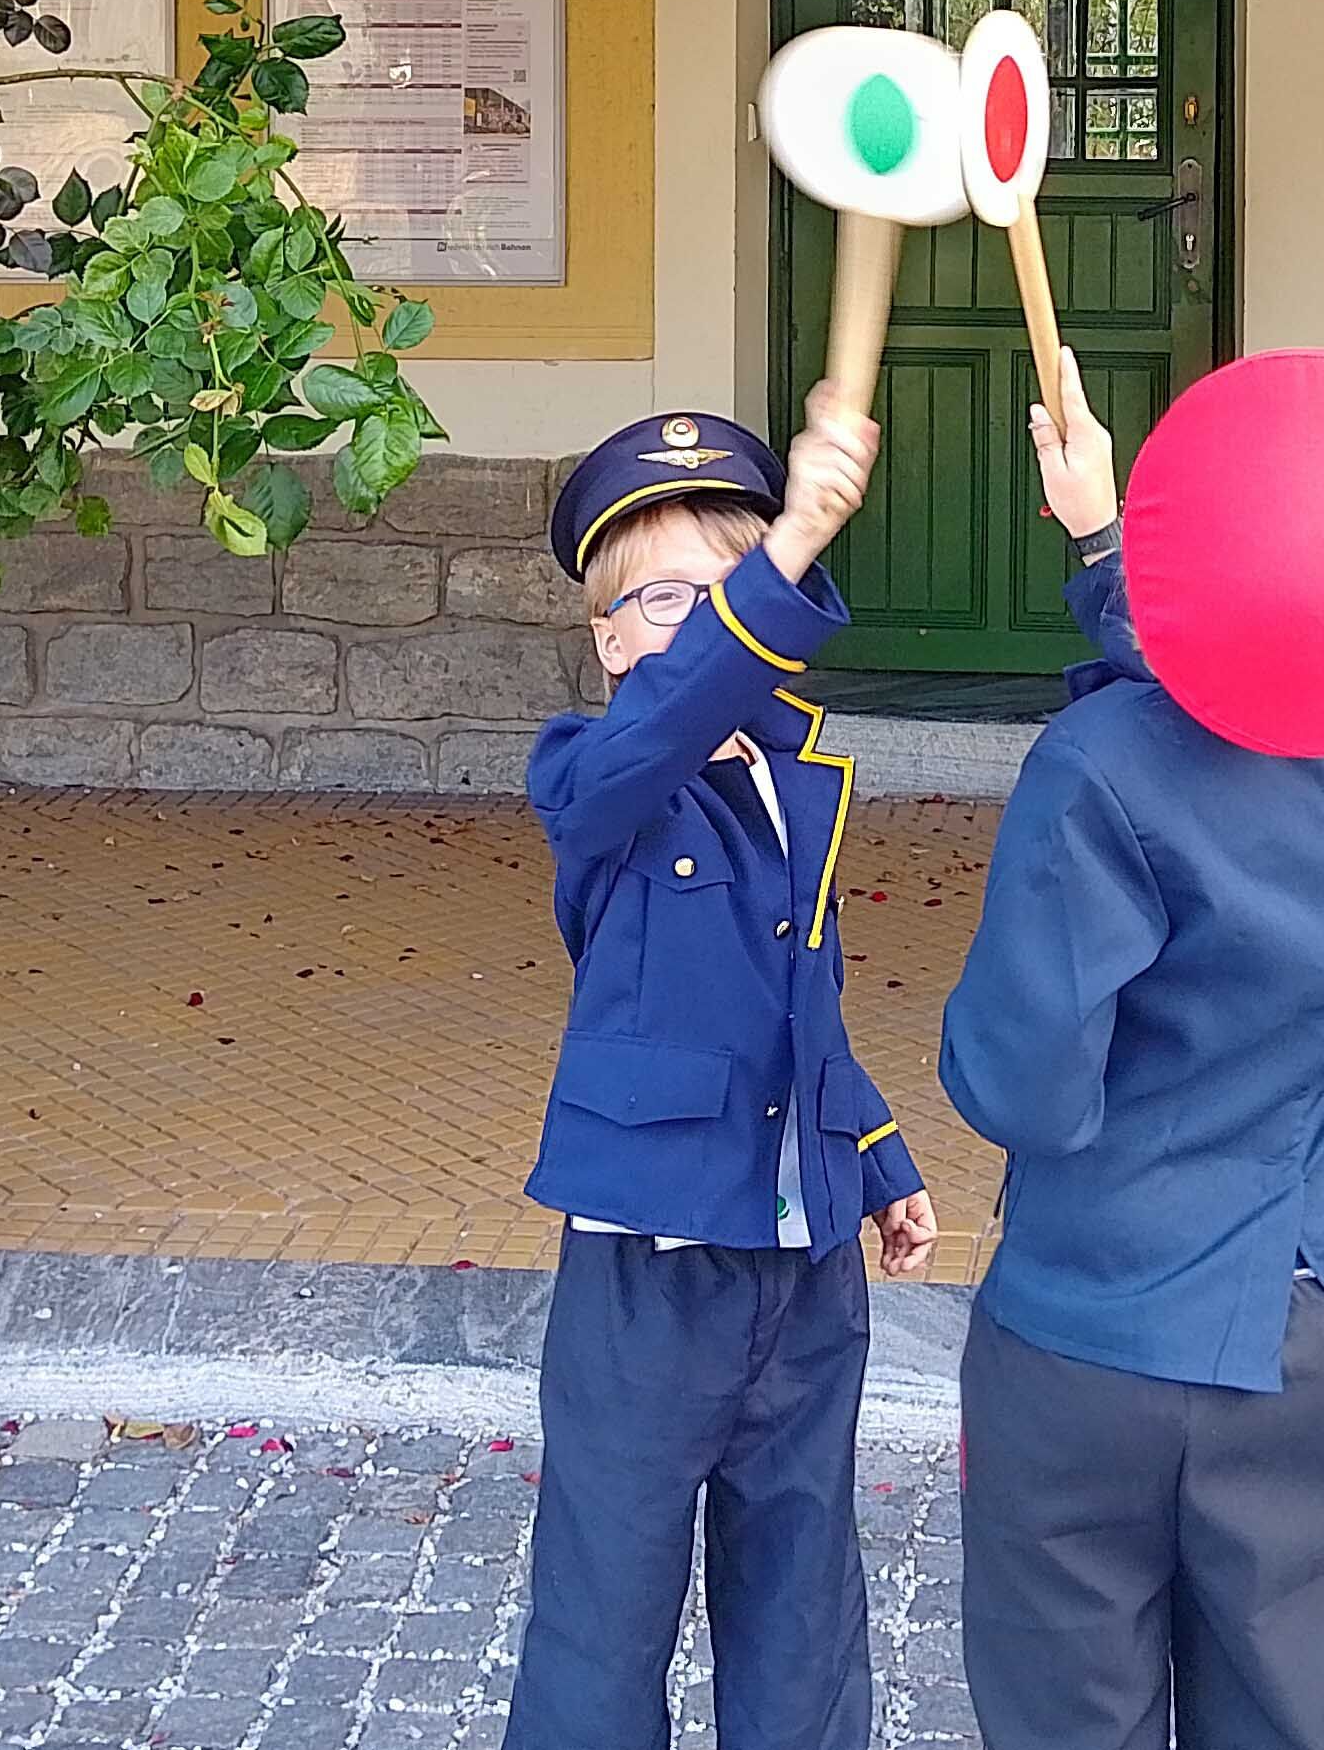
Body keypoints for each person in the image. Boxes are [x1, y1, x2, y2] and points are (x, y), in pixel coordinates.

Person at [938, 349, 1324, 1750]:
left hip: (1092, 1336)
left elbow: (1020, 1089)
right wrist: (1101, 540)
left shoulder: (1097, 768)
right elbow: (1244, 675)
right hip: (1315, 1334)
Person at [503, 387, 943, 1750]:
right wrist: (789, 546)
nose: (686, 625)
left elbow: (800, 1004)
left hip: (800, 1262)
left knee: (802, 1598)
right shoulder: (598, 779)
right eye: (654, 603)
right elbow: (666, 724)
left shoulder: (792, 786)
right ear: (603, 642)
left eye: (719, 592)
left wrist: (875, 1159)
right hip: (649, 1269)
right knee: (606, 1603)